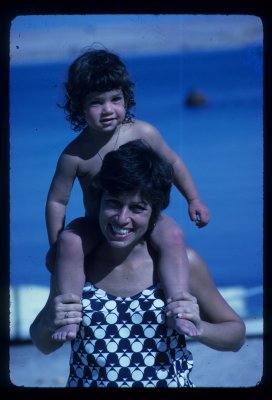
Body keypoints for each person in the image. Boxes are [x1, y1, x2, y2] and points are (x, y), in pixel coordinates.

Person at [30, 140, 245, 388]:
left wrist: (200, 328)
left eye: (137, 208)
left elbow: (236, 335)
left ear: (154, 212)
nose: (122, 219)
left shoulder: (184, 263)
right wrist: (50, 321)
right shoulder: (76, 263)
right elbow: (43, 343)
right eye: (113, 203)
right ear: (99, 201)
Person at [45, 48, 210, 341]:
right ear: (78, 107)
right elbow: (57, 201)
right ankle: (70, 314)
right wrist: (55, 245)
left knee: (172, 235)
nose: (108, 109)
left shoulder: (143, 132)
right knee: (70, 241)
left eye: (115, 99)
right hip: (98, 224)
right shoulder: (75, 154)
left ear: (126, 99)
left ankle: (179, 306)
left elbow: (173, 163)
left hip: (145, 219)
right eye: (96, 102)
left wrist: (194, 199)